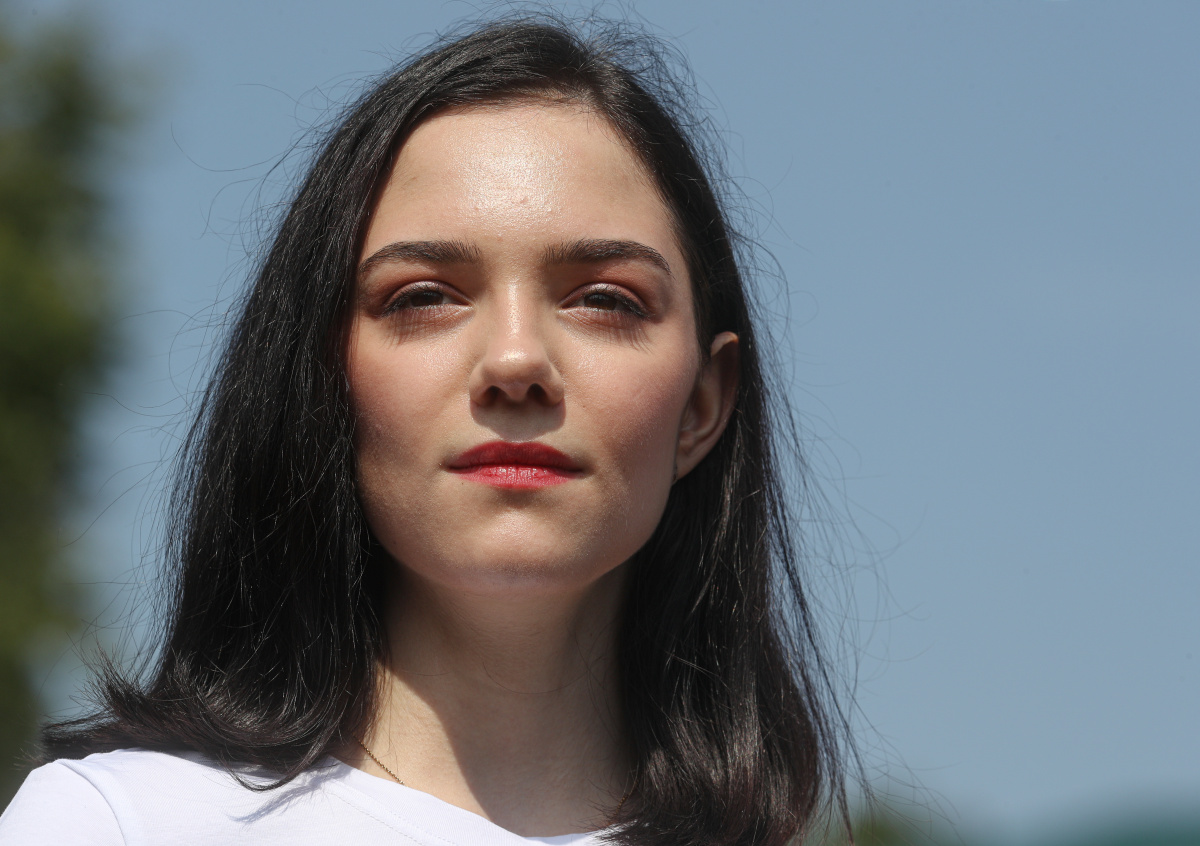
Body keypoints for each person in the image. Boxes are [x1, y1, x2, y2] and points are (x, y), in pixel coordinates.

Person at [0, 16, 856, 846]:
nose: (515, 360)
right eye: (423, 297)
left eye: (604, 299)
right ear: (324, 384)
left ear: (703, 405)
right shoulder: (117, 825)